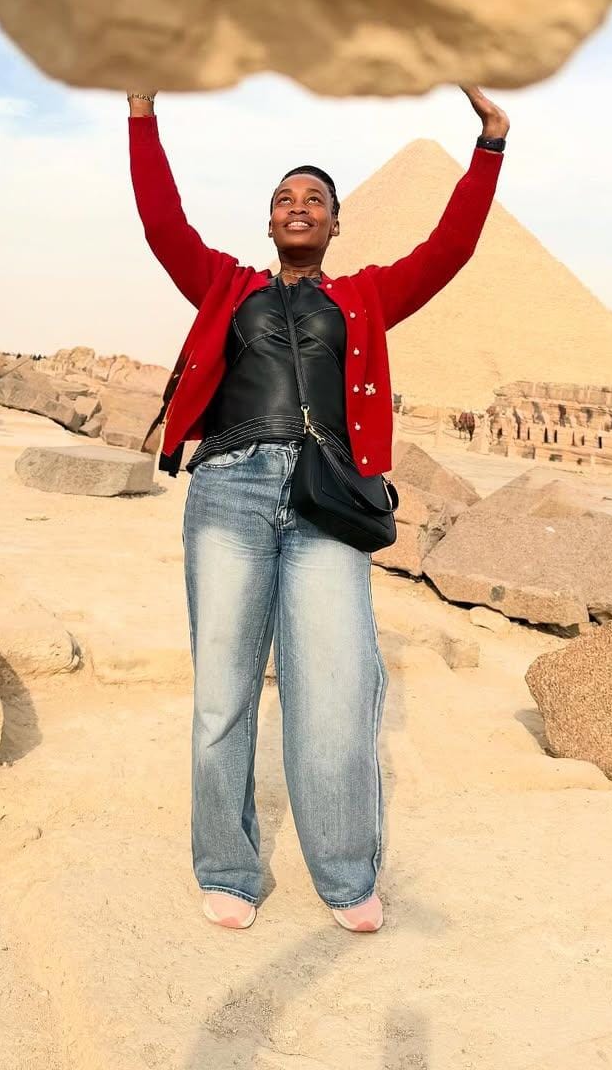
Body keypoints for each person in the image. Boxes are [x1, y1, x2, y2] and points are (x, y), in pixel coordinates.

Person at [127, 85, 509, 933]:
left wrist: (490, 143)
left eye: (315, 199)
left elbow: (450, 248)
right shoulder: (224, 286)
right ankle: (228, 868)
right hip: (231, 486)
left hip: (327, 499)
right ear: (269, 222)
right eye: (283, 198)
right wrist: (142, 113)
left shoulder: (367, 297)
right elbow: (161, 223)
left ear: (337, 223)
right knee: (223, 691)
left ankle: (343, 873)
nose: (298, 206)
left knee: (335, 688)